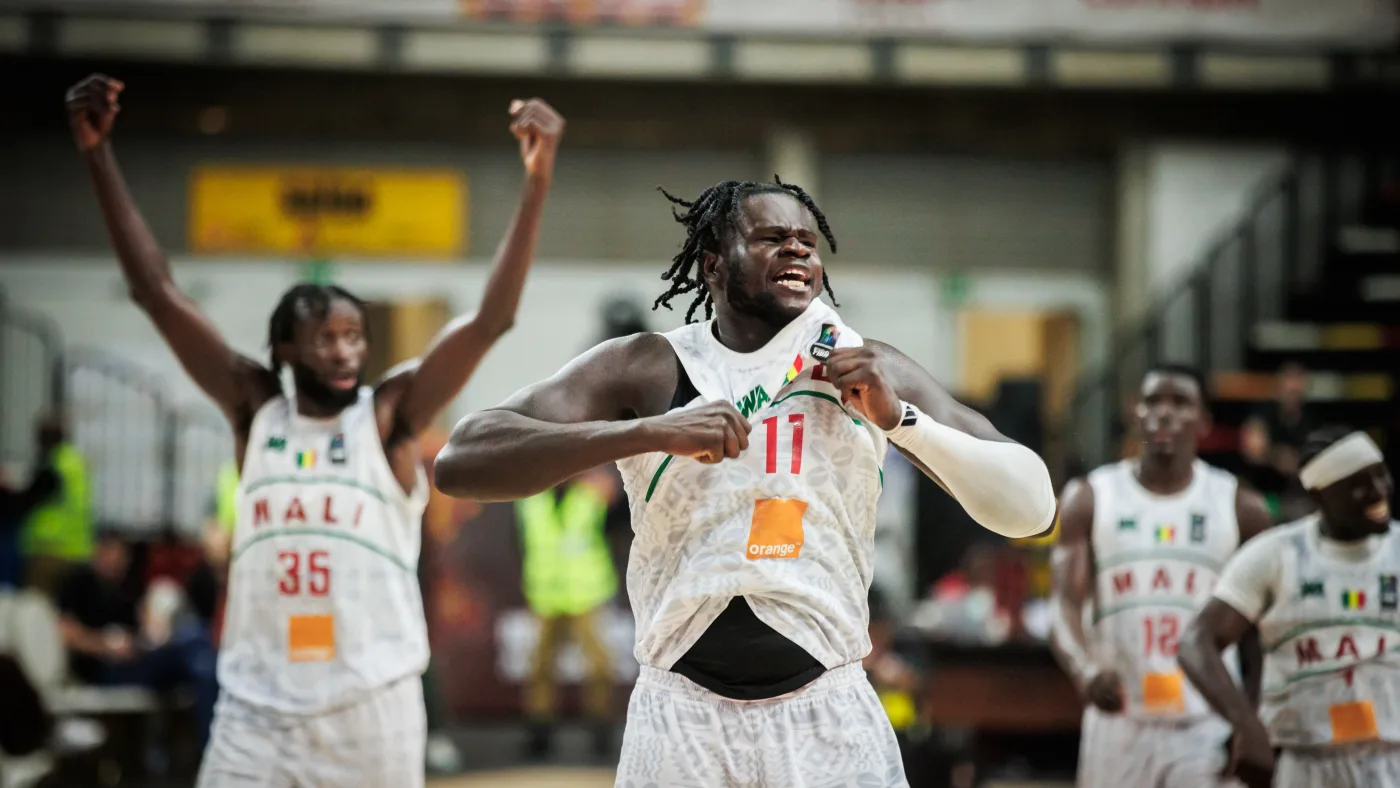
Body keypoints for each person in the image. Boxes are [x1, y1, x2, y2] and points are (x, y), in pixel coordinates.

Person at [434, 177, 1058, 787]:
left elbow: (1033, 509)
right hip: (680, 721)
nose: (797, 250)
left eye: (807, 241)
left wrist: (902, 422)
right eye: (770, 238)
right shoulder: (648, 366)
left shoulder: (872, 366)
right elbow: (462, 460)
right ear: (713, 264)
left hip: (829, 718)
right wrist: (651, 433)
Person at [66, 71, 565, 787]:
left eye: (355, 338)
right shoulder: (255, 407)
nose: (344, 352)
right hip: (256, 709)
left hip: (372, 707)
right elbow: (156, 291)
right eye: (325, 339)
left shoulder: (388, 415)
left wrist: (537, 181)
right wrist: (96, 154)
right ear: (284, 352)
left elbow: (491, 321)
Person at [1049, 364, 1274, 788]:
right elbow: (1064, 604)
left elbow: (1260, 635)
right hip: (1119, 720)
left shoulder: (1241, 507)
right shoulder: (1091, 497)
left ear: (1204, 421)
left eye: (1181, 403)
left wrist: (1251, 720)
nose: (1165, 414)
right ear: (1136, 413)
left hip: (1206, 722)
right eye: (1153, 401)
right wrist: (1084, 669)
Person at [1179, 427, 1400, 788]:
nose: (1380, 490)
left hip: (1392, 758)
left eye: (1381, 474)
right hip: (1304, 760)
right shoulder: (1276, 554)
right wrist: (1245, 725)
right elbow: (1195, 641)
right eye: (1359, 483)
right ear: (1320, 495)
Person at [56, 529, 219, 745]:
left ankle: (209, 744)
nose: (118, 560)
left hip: (138, 660)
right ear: (98, 551)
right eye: (112, 552)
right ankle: (208, 745)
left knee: (198, 653)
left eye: (123, 554)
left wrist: (145, 636)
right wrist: (106, 646)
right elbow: (67, 634)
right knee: (196, 649)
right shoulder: (78, 584)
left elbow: (141, 631)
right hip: (104, 670)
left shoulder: (127, 587)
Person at [516, 465, 620, 760]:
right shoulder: (530, 500)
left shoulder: (593, 495)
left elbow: (622, 525)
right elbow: (522, 545)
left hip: (586, 596)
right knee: (539, 668)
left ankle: (601, 732)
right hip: (545, 598)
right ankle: (540, 734)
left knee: (600, 666)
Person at [21, 413, 94, 600]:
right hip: (77, 552)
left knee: (37, 610)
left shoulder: (53, 465)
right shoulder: (75, 462)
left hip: (49, 551)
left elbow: (29, 499)